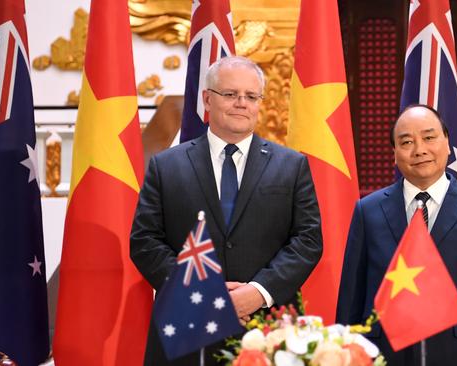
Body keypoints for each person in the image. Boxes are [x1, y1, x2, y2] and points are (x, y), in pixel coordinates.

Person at [130, 56, 323, 365]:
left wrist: (259, 291)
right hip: (186, 326)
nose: (241, 103)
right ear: (208, 99)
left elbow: (307, 240)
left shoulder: (291, 166)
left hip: (267, 329)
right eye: (230, 94)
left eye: (250, 96)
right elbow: (145, 241)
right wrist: (203, 293)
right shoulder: (167, 166)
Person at [336, 105, 457, 365]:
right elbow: (350, 299)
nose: (419, 149)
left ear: (447, 143)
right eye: (406, 142)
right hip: (384, 354)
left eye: (429, 138)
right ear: (394, 154)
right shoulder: (368, 211)